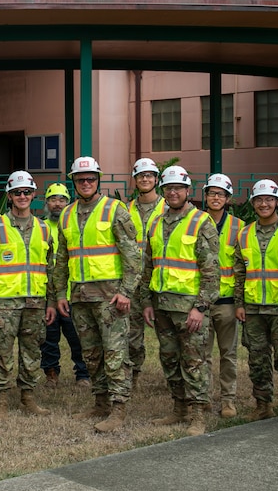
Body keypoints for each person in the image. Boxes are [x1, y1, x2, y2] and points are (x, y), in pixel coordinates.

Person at [50, 156, 142, 433]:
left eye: (90, 178)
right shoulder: (67, 214)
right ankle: (100, 403)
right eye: (80, 179)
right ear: (74, 182)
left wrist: (126, 292)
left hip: (110, 297)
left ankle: (118, 408)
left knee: (115, 354)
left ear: (98, 180)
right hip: (80, 297)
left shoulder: (115, 210)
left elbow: (133, 256)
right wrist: (60, 293)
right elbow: (62, 259)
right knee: (91, 354)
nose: (86, 183)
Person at [139, 166, 219, 436]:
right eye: (168, 188)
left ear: (188, 191)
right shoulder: (156, 223)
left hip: (189, 308)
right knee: (170, 358)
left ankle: (198, 414)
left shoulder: (201, 222)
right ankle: (179, 408)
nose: (173, 193)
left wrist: (200, 307)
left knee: (194, 361)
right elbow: (149, 265)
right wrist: (146, 301)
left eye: (178, 188)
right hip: (162, 305)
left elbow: (211, 271)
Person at [0, 170, 58, 417]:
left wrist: (51, 302)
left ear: (33, 195)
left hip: (35, 302)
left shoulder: (44, 229)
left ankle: (28, 397)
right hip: (5, 303)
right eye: (17, 193)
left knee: (32, 351)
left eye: (26, 192)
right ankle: (1, 400)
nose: (22, 196)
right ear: (10, 196)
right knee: (2, 353)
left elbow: (51, 269)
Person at [234, 179, 278, 420]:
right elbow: (239, 272)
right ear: (253, 203)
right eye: (259, 200)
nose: (264, 204)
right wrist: (239, 304)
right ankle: (263, 404)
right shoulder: (244, 233)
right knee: (257, 358)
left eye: (269, 199)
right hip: (253, 308)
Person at [203, 173, 244, 419]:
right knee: (203, 354)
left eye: (221, 194)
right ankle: (205, 397)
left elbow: (241, 267)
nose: (216, 198)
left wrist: (239, 302)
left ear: (228, 198)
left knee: (228, 354)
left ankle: (228, 400)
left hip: (227, 302)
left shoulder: (239, 227)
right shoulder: (196, 221)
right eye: (212, 193)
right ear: (205, 196)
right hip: (202, 302)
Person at [40, 182, 89, 387]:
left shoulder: (74, 226)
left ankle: (83, 373)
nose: (57, 204)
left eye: (62, 200)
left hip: (71, 291)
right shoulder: (40, 227)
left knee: (77, 337)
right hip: (45, 292)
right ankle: (51, 372)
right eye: (53, 199)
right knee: (49, 337)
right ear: (46, 203)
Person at [126, 157, 166, 384]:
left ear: (156, 179)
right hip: (132, 280)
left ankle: (174, 379)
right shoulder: (126, 209)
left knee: (168, 334)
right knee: (131, 333)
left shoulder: (168, 208)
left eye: (149, 175)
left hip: (160, 278)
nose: (145, 179)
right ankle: (133, 375)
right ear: (135, 179)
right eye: (141, 176)